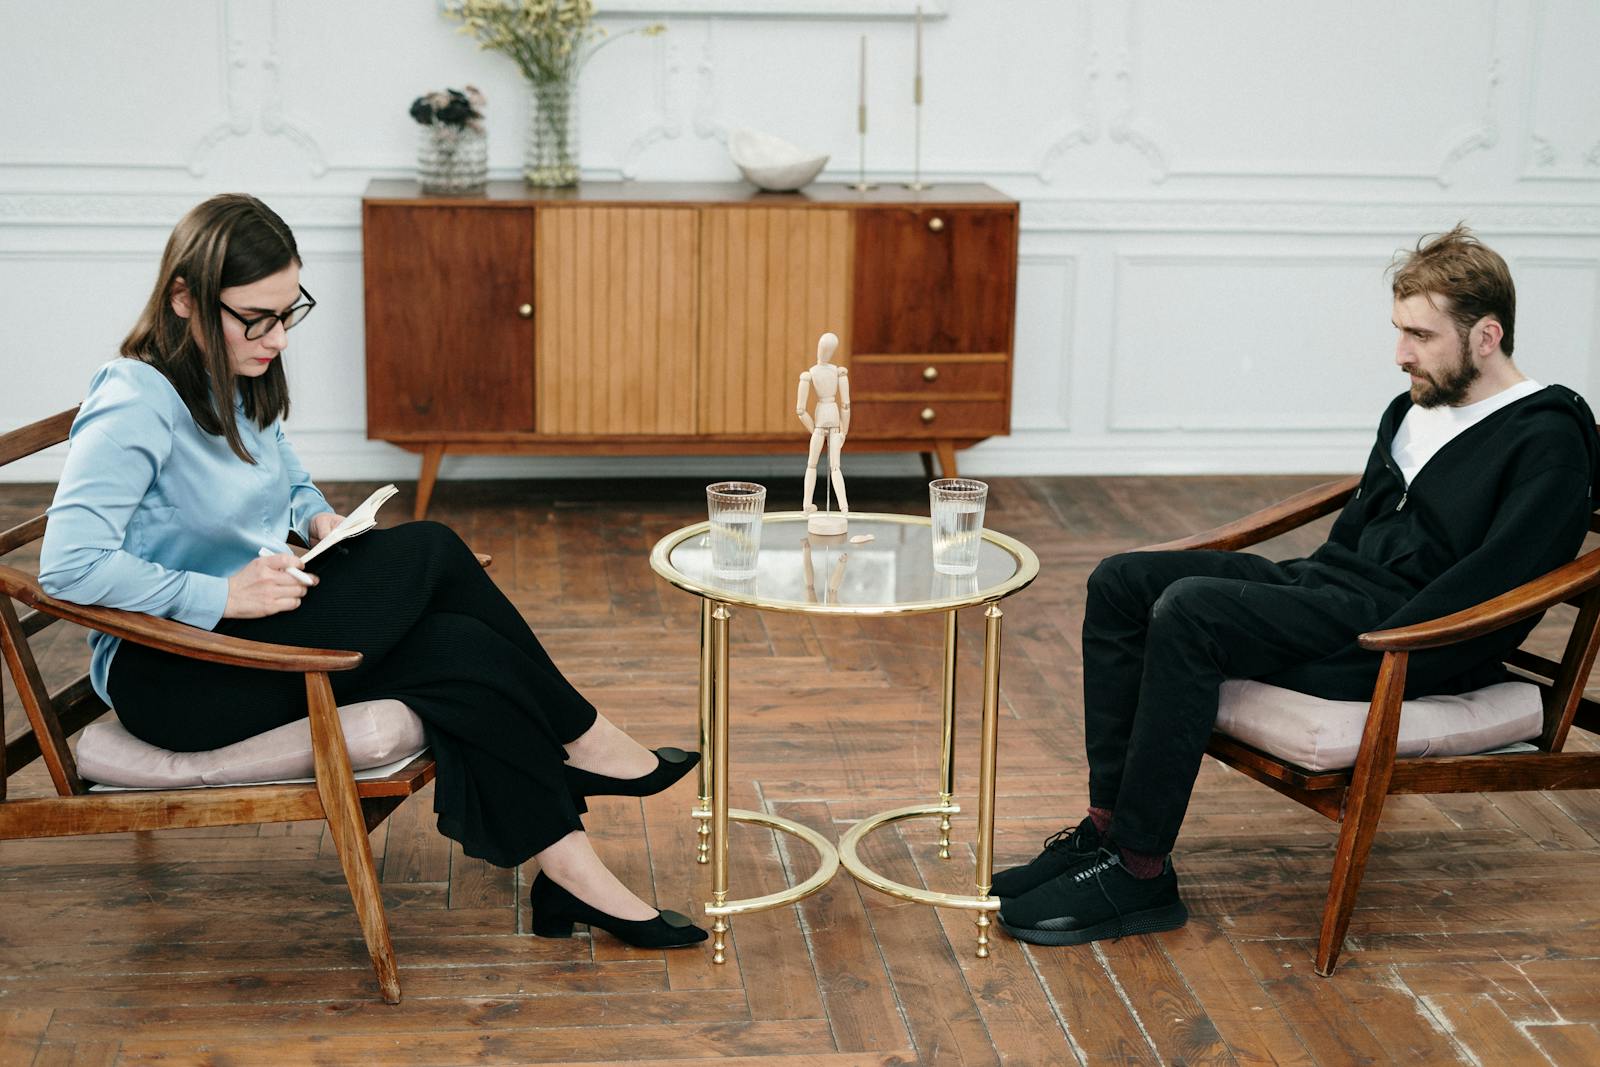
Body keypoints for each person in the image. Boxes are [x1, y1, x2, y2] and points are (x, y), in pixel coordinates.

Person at [38, 194, 707, 949]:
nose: (278, 336)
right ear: (184, 297)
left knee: (461, 650)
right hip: (175, 671)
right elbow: (68, 566)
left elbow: (286, 481)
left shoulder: (237, 375)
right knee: (433, 548)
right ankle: (583, 738)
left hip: (252, 624)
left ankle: (576, 881)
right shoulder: (134, 399)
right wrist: (219, 592)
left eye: (290, 312)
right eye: (256, 317)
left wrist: (320, 516)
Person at [995, 224, 1600, 947]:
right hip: (1328, 591)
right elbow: (1353, 538)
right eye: (1399, 330)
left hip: (1404, 635)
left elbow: (1504, 579)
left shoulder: (1548, 437)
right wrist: (1299, 594)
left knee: (1190, 612)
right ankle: (1106, 830)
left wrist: (1395, 647)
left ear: (1485, 336)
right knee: (1122, 580)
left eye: (1420, 334)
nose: (1401, 352)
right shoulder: (1414, 408)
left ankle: (1139, 871)